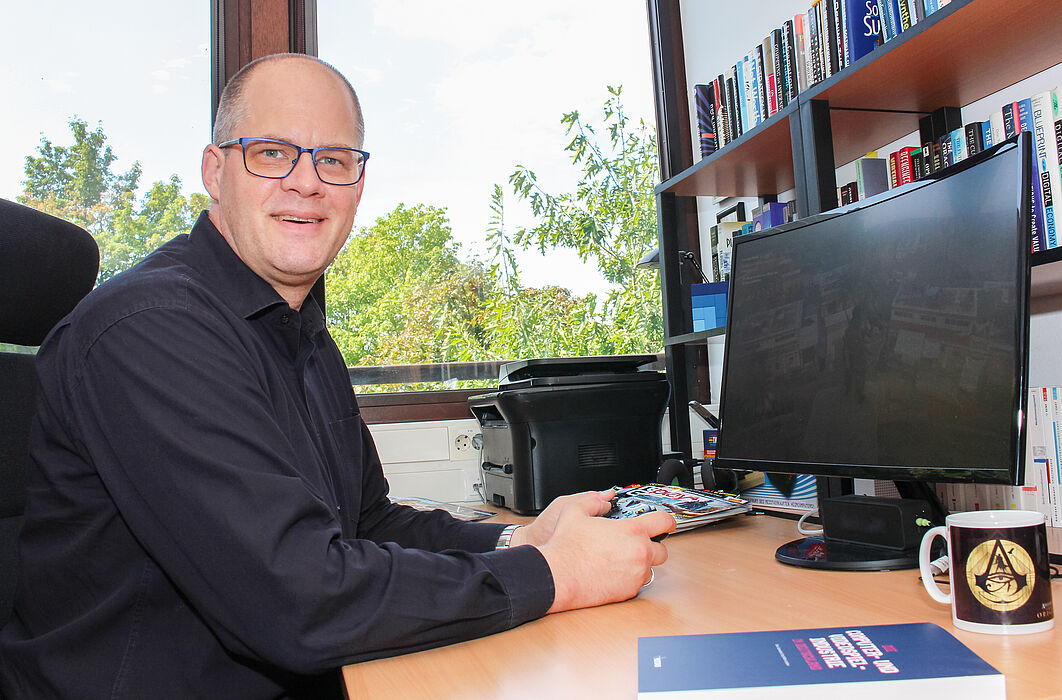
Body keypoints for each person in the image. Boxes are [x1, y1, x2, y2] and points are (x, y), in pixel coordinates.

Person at [0, 53, 673, 699]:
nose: (306, 181)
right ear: (216, 170)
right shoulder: (148, 328)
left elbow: (368, 522)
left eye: (335, 159)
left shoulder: (300, 332)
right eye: (272, 152)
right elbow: (297, 599)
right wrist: (554, 574)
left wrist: (520, 538)